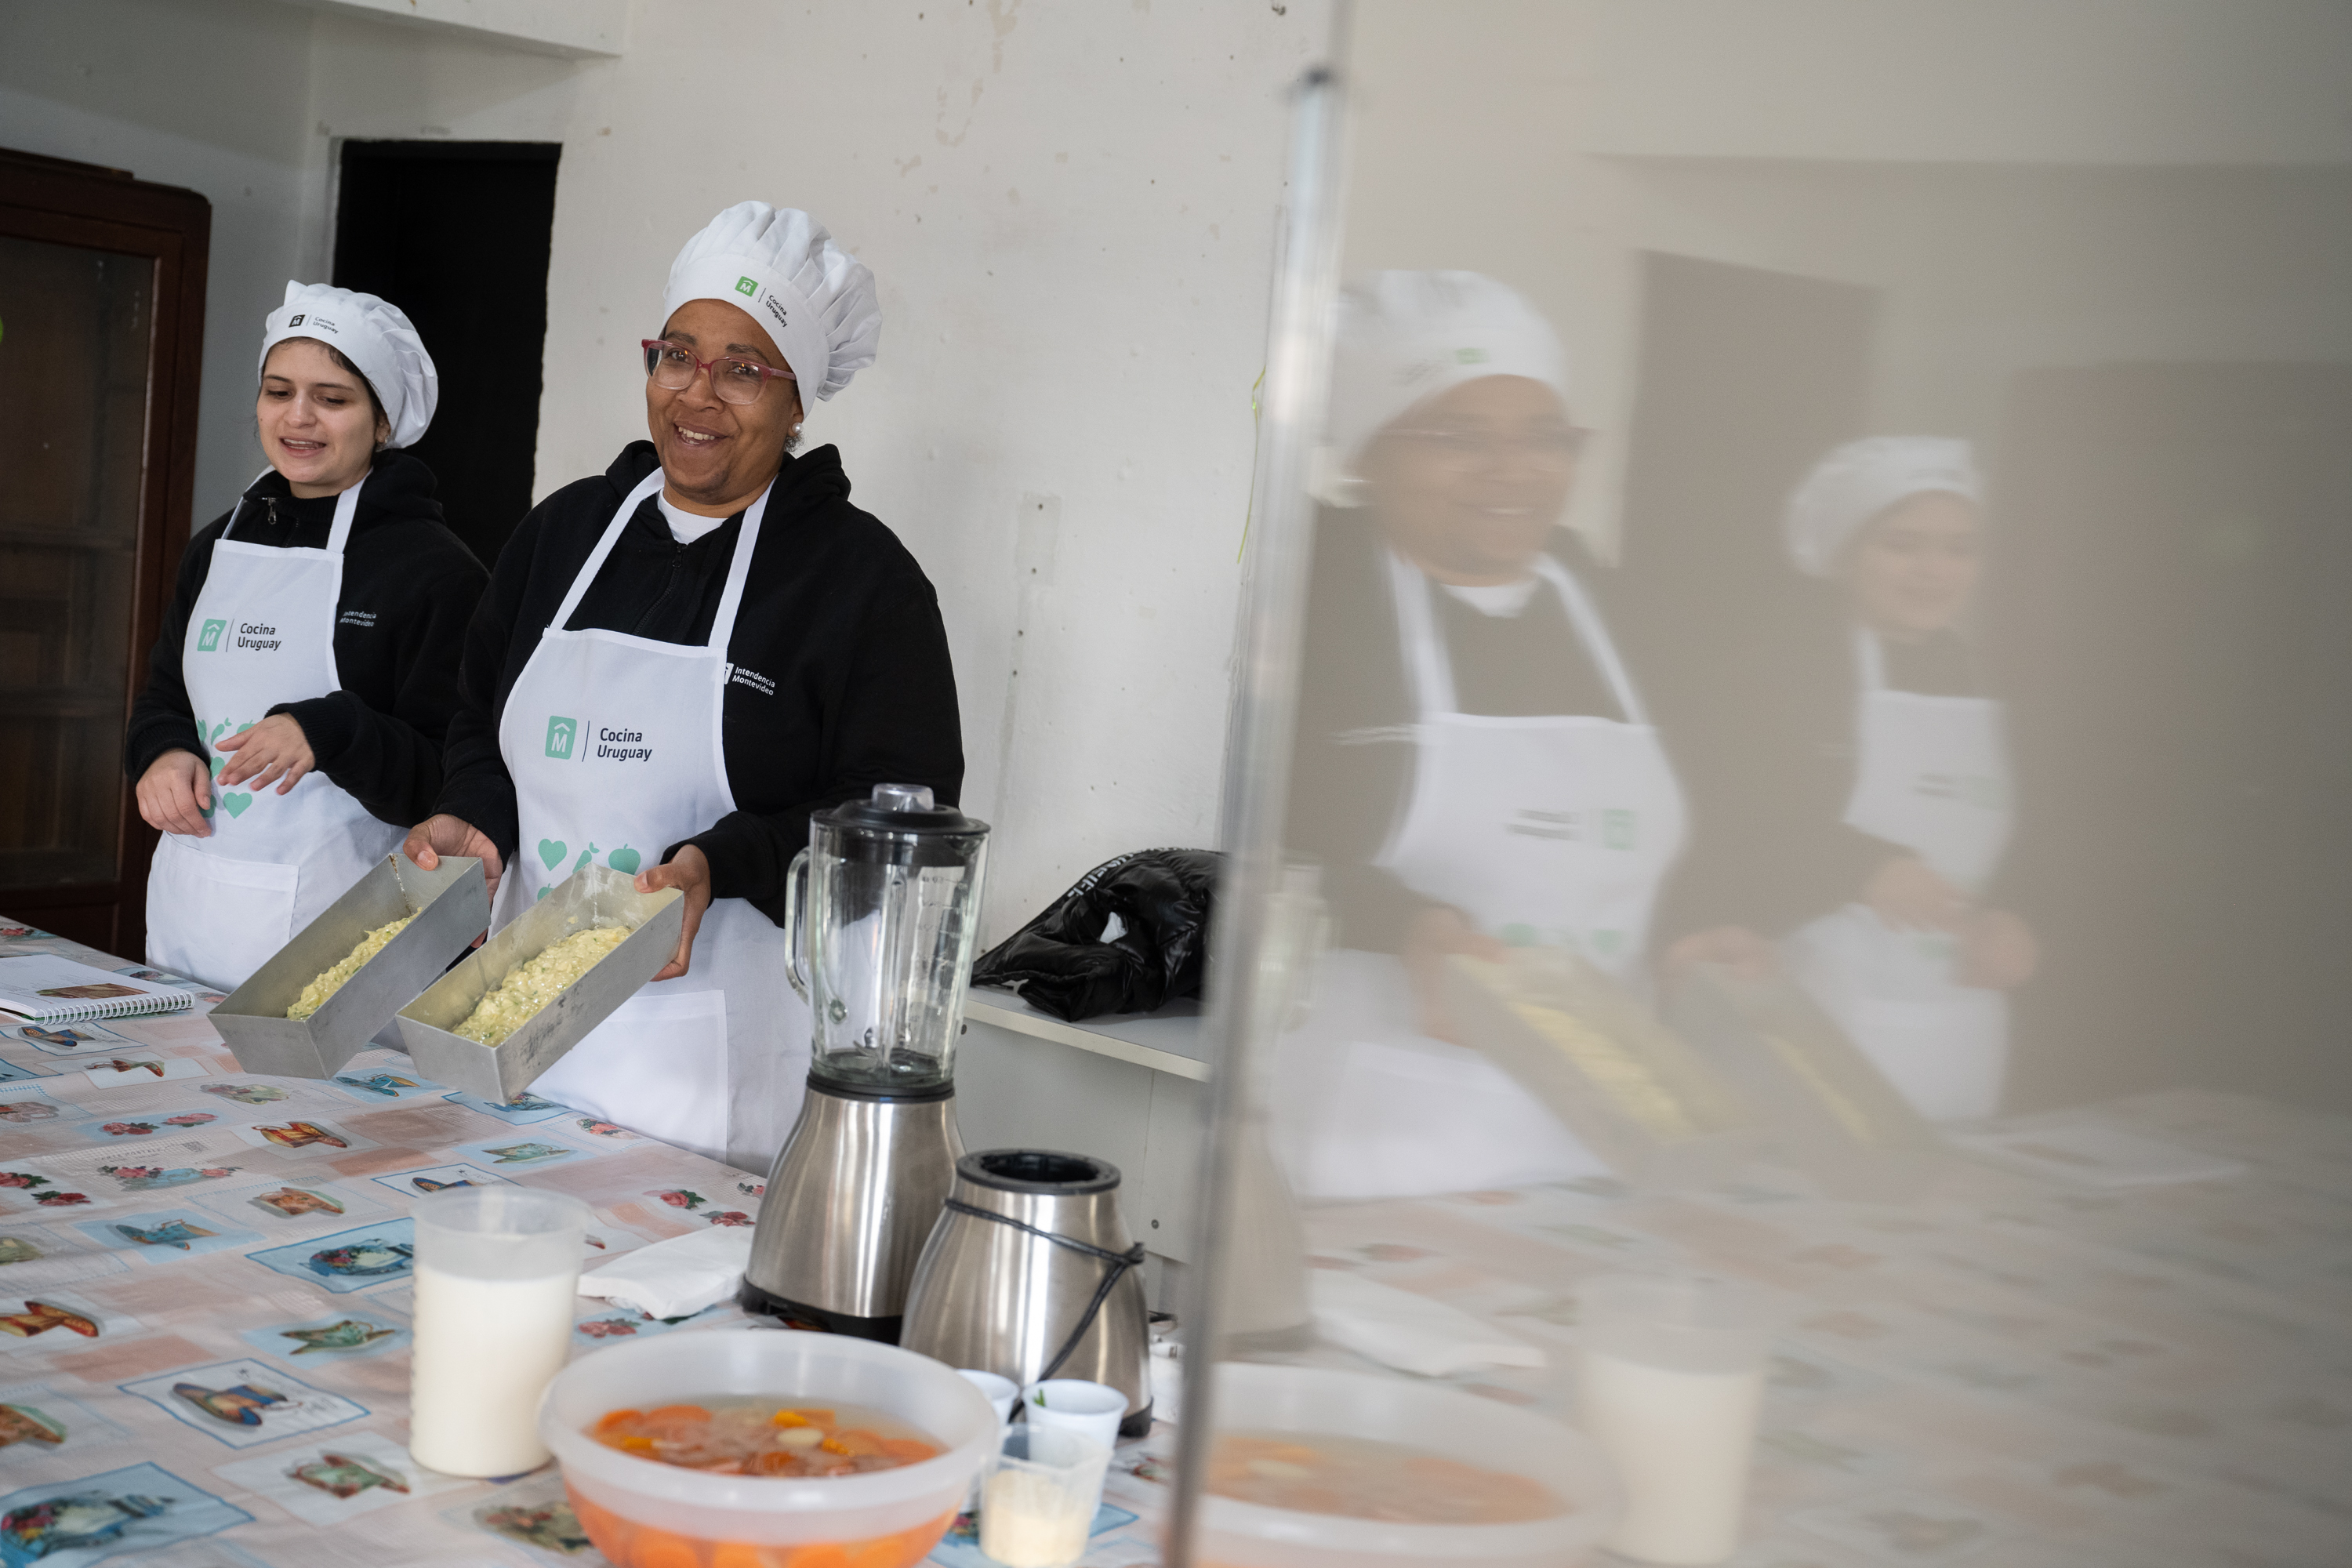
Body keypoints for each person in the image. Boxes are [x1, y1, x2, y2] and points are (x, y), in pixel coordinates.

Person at [405, 201, 962, 1171]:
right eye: (677, 356)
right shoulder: (565, 534)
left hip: (708, 1072)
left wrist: (723, 862)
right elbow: (479, 720)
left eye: (743, 369)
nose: (697, 395)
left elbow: (897, 826)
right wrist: (474, 811)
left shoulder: (861, 582)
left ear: (797, 403)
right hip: (515, 1038)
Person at [1269, 271, 1688, 1198]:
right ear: (1370, 455)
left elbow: (1707, 810)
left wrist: (1713, 922)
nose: (1515, 469)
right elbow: (1235, 838)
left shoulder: (1600, 594)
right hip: (1381, 1137)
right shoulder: (1312, 595)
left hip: (1601, 1131)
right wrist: (1400, 922)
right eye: (1459, 437)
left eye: (1545, 436)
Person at [126, 283, 482, 992]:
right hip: (190, 910)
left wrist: (328, 730)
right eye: (277, 390)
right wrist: (160, 752)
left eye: (333, 397)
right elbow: (167, 690)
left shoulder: (437, 572)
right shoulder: (217, 546)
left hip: (343, 933)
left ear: (383, 421)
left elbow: (453, 776)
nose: (298, 417)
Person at [1671, 437, 2034, 1120]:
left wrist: (2015, 915)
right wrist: (1860, 866)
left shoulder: (1977, 675)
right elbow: (1721, 832)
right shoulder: (1773, 667)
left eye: (1959, 548)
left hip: (1955, 1019)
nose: (1933, 570)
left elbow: (2023, 842)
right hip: (1807, 1000)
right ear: (1845, 553)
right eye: (1902, 544)